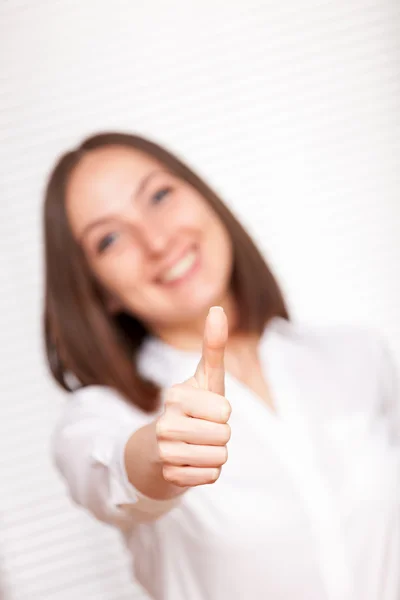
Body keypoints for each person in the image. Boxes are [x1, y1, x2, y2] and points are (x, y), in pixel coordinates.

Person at [43, 132, 399, 600]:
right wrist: (160, 454)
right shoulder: (102, 417)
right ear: (99, 292)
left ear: (206, 200)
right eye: (109, 239)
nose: (157, 240)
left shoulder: (355, 354)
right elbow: (106, 474)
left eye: (159, 195)